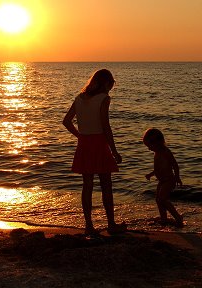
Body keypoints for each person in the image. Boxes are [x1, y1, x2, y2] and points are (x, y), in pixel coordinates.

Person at [63, 69, 127, 236]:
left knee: (87, 186)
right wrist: (114, 151)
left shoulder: (79, 98)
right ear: (106, 83)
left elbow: (66, 121)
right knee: (106, 185)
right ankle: (111, 224)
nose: (111, 88)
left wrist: (80, 136)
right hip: (99, 142)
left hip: (84, 143)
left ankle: (89, 225)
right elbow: (106, 126)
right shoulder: (104, 98)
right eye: (111, 84)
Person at [143, 128, 184, 227]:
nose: (149, 149)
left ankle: (178, 217)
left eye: (150, 146)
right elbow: (158, 169)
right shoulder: (156, 153)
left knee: (163, 199)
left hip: (169, 180)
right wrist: (151, 174)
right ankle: (164, 218)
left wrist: (177, 177)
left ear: (158, 142)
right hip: (161, 181)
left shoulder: (166, 152)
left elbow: (175, 165)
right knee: (158, 199)